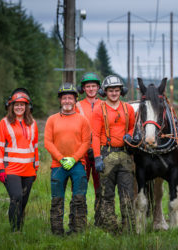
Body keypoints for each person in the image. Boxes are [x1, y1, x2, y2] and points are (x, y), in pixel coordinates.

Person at [44, 83, 91, 235]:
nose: (67, 101)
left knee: (79, 198)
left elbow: (86, 142)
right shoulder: (52, 119)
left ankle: (77, 230)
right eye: (64, 98)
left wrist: (74, 158)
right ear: (60, 100)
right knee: (57, 199)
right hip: (58, 165)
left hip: (78, 165)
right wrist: (61, 158)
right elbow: (47, 142)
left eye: (70, 98)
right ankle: (57, 232)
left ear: (76, 100)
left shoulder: (82, 120)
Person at [91, 75, 136, 232]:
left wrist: (129, 134)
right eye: (111, 90)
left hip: (124, 155)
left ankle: (129, 228)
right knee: (107, 194)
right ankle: (110, 228)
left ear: (121, 91)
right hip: (106, 153)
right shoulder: (99, 109)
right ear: (105, 92)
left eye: (117, 90)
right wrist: (97, 157)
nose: (114, 93)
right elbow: (95, 135)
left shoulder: (128, 108)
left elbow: (133, 127)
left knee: (127, 194)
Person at [0, 88, 39, 232]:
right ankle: (15, 231)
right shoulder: (4, 123)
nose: (19, 107)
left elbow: (35, 147)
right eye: (16, 104)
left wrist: (35, 168)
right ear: (11, 106)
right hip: (11, 169)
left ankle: (20, 228)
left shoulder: (33, 123)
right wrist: (0, 168)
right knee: (16, 197)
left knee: (23, 202)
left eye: (22, 104)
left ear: (27, 107)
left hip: (28, 170)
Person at [76, 72, 102, 222]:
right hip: (82, 153)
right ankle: (80, 219)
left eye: (93, 86)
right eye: (88, 86)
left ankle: (100, 218)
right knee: (80, 187)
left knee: (101, 188)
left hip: (99, 152)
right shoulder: (77, 105)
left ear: (98, 88)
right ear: (83, 89)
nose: (91, 89)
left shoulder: (104, 105)